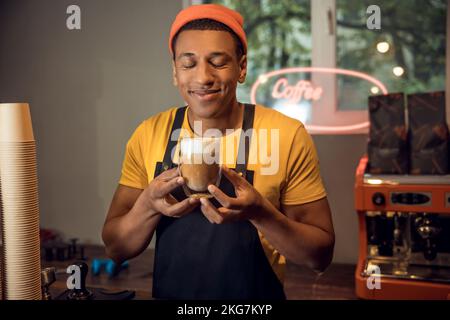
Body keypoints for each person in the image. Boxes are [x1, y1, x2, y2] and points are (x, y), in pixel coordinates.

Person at [102, 3, 334, 300]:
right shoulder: (149, 134)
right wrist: (147, 204)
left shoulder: (287, 135)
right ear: (174, 71)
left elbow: (320, 256)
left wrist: (261, 213)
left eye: (218, 62)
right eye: (188, 64)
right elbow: (116, 248)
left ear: (242, 67)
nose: (203, 78)